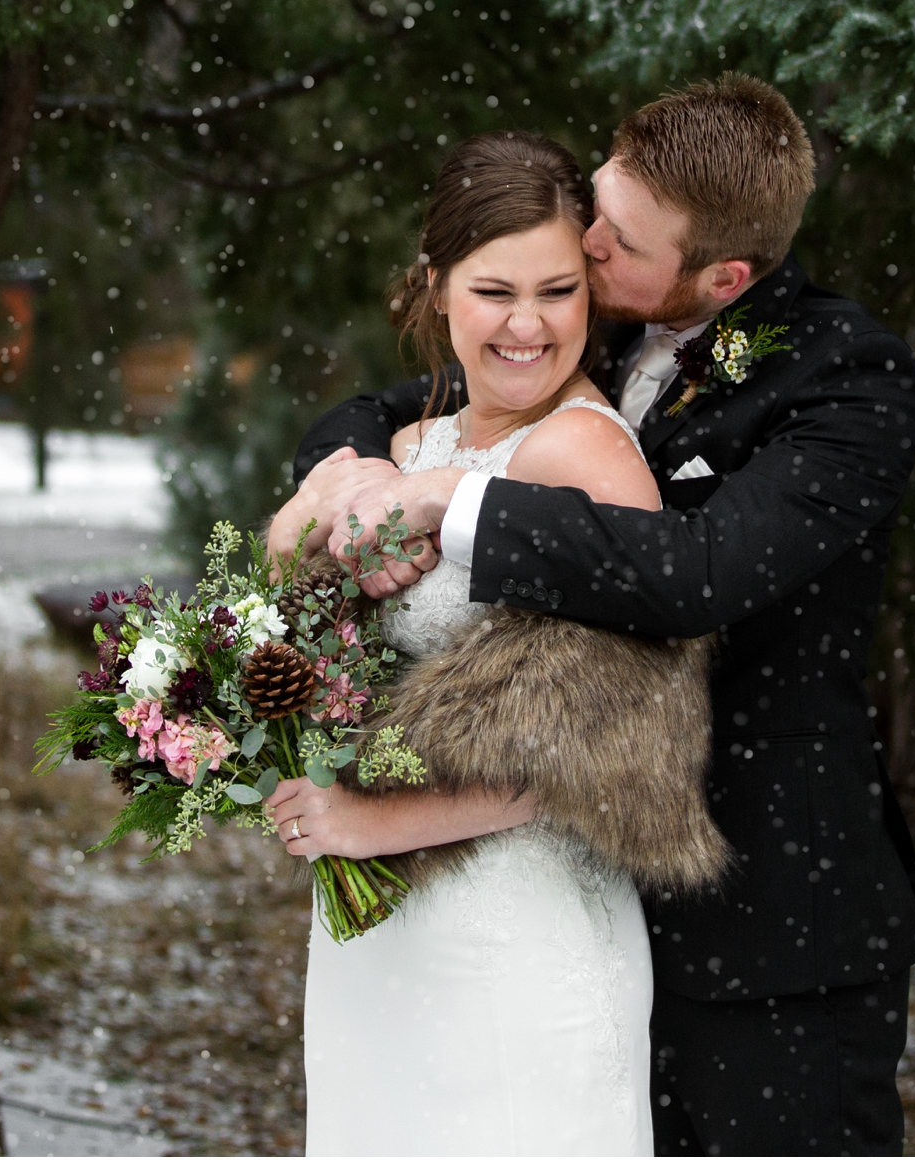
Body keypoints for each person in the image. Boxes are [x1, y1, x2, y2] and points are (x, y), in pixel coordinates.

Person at [282, 75, 915, 1156]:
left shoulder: (844, 380)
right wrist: (337, 479)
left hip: (770, 918)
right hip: (582, 880)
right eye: (595, 203)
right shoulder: (604, 325)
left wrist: (451, 505)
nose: (583, 245)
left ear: (722, 274)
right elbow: (390, 411)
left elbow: (699, 571)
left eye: (617, 241)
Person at [260, 131, 674, 1156]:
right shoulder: (412, 448)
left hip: (515, 933)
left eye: (560, 289)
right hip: (384, 943)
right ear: (435, 286)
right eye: (495, 290)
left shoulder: (582, 453)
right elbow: (294, 615)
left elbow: (593, 748)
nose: (529, 324)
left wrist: (367, 822)